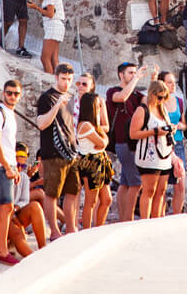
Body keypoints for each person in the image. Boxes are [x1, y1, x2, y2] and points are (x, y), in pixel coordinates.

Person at [36, 64, 79, 240]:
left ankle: (71, 228)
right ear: (56, 77)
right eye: (63, 79)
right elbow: (41, 123)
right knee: (52, 193)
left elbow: (72, 125)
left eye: (69, 79)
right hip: (53, 153)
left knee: (73, 192)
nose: (67, 83)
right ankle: (54, 231)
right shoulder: (47, 98)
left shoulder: (71, 97)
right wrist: (56, 106)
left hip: (71, 152)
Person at [0, 79, 22, 265]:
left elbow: (8, 145)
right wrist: (8, 167)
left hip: (7, 166)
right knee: (6, 206)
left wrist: (14, 167)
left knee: (2, 205)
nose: (12, 96)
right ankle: (1, 249)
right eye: (9, 93)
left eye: (16, 93)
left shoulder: (10, 114)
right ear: (3, 93)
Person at [128, 81, 174, 220]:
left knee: (161, 191)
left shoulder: (162, 109)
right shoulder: (142, 110)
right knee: (149, 190)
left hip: (164, 155)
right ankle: (145, 222)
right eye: (159, 97)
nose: (162, 100)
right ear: (152, 94)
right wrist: (154, 132)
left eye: (164, 97)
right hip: (148, 156)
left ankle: (157, 220)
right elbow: (133, 134)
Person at [106, 63, 145, 222]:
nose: (134, 75)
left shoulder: (135, 94)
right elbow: (121, 97)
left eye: (135, 72)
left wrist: (155, 80)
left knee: (126, 182)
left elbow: (149, 101)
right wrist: (136, 79)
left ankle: (123, 218)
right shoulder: (113, 91)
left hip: (134, 143)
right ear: (121, 75)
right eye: (130, 73)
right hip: (124, 142)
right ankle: (128, 220)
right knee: (136, 184)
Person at [75, 91, 114, 229]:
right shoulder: (85, 125)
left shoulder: (93, 124)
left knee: (107, 199)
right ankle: (87, 231)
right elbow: (103, 143)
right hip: (91, 162)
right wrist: (102, 139)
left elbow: (104, 141)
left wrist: (102, 139)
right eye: (98, 106)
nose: (100, 108)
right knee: (91, 201)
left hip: (100, 159)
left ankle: (99, 228)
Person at [8, 143, 48, 256]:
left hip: (15, 212)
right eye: (18, 165)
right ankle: (33, 259)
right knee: (17, 233)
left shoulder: (24, 177)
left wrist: (15, 210)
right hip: (3, 216)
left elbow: (25, 200)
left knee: (35, 206)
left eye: (23, 166)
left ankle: (43, 249)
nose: (20, 169)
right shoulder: (2, 175)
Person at [159, 71, 187, 215]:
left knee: (180, 184)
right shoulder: (157, 101)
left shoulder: (179, 101)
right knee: (162, 185)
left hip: (178, 143)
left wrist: (176, 126)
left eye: (174, 82)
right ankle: (161, 215)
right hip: (162, 145)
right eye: (169, 82)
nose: (173, 85)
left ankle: (176, 216)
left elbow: (184, 124)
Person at [28, 0, 65, 75]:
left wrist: (36, 7)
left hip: (53, 26)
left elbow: (50, 13)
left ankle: (50, 81)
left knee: (45, 58)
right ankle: (57, 81)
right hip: (55, 26)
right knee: (53, 58)